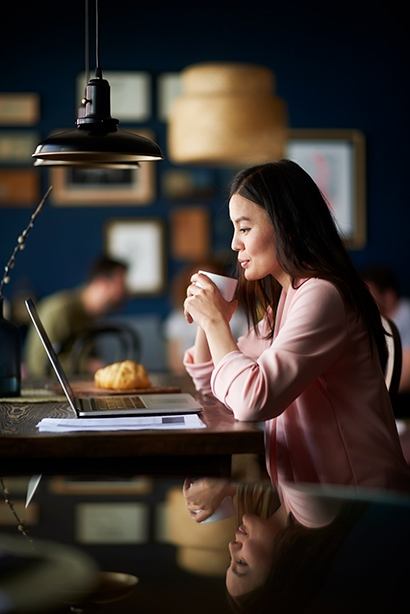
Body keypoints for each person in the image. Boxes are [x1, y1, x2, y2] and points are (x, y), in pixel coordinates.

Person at [183, 160, 410, 493]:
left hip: (359, 505)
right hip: (316, 503)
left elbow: (252, 400)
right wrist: (207, 320)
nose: (234, 244)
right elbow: (211, 383)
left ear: (287, 226)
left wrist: (216, 321)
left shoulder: (321, 295)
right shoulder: (289, 298)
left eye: (244, 228)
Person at [24, 256, 128, 377]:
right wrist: (87, 366)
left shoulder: (92, 315)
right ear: (102, 283)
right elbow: (38, 365)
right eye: (121, 283)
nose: (126, 290)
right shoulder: (61, 311)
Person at [163, 259, 248, 374]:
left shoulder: (238, 317)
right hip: (190, 377)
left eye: (211, 283)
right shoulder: (177, 320)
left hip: (229, 374)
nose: (204, 290)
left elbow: (247, 354)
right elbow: (175, 364)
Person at [361, 264, 410, 395]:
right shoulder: (377, 322)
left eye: (370, 295)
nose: (364, 301)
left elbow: (405, 375)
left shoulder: (406, 314)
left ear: (389, 296)